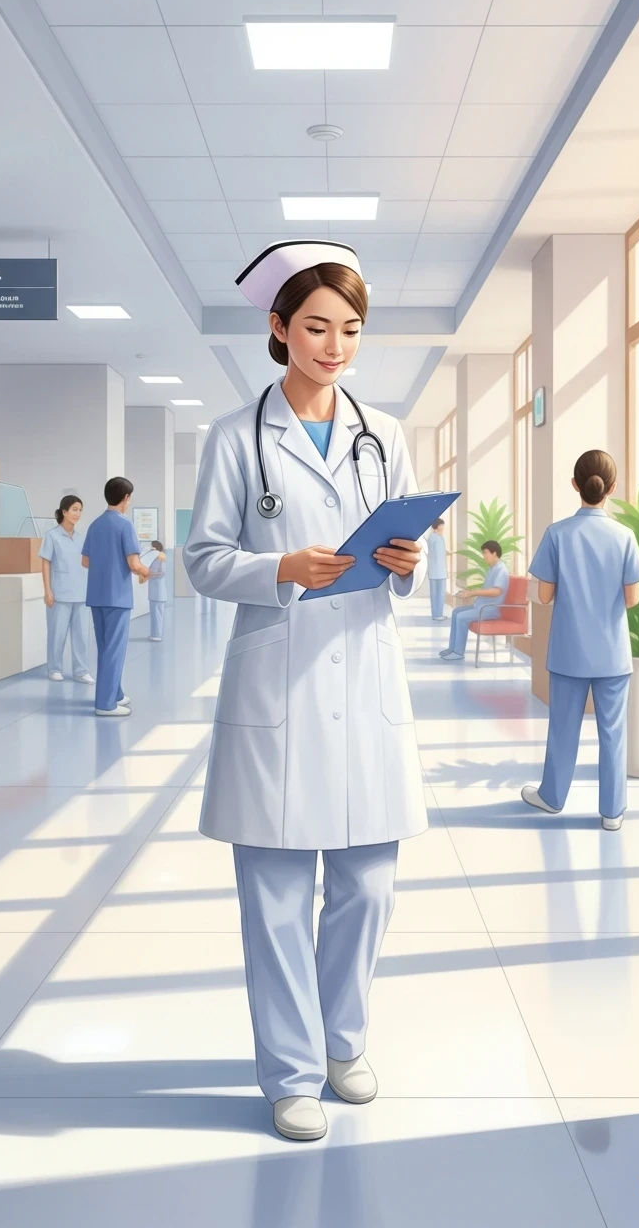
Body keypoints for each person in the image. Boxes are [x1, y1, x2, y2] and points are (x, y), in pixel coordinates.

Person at [183, 240, 427, 1144]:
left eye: (350, 329)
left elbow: (410, 554)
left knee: (367, 886)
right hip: (277, 681)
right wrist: (280, 565)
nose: (334, 345)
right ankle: (289, 1073)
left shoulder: (385, 433)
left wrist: (408, 559)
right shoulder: (233, 438)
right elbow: (203, 560)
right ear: (278, 329)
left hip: (365, 676)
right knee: (278, 897)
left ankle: (342, 1042)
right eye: (316, 327)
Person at [521, 449, 639, 831]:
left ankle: (553, 797)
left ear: (575, 485)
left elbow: (543, 596)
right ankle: (612, 812)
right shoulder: (624, 536)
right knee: (613, 732)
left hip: (569, 651)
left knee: (563, 727)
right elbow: (632, 599)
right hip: (611, 653)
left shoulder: (557, 534)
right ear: (612, 487)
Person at [81, 477, 150, 717]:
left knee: (105, 648)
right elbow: (134, 564)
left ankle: (116, 693)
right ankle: (105, 704)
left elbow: (85, 561)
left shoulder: (95, 524)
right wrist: (147, 571)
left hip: (96, 595)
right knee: (115, 649)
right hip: (117, 597)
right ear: (126, 497)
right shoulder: (125, 525)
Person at [39, 494, 94, 685]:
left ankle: (81, 671)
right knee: (57, 634)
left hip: (81, 593)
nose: (77, 514)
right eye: (74, 509)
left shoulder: (81, 538)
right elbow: (45, 564)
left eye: (80, 510)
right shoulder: (51, 536)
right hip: (59, 594)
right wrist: (47, 590)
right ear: (64, 511)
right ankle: (54, 668)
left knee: (81, 636)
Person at [438, 540, 509, 661]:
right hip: (481, 606)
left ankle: (458, 652)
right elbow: (486, 590)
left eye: (486, 553)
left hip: (490, 609)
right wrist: (468, 594)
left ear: (495, 553)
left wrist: (473, 593)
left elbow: (497, 592)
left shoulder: (501, 570)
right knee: (456, 612)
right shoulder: (492, 569)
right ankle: (452, 648)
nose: (484, 556)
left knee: (461, 617)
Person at [141, 539, 168, 641]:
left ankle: (157, 635)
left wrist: (150, 574)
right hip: (154, 592)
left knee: (157, 615)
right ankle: (154, 634)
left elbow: (162, 573)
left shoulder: (160, 559)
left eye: (152, 547)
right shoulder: (154, 560)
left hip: (159, 592)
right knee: (154, 615)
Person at [426, 517, 448, 620]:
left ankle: (436, 614)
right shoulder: (436, 538)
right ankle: (438, 614)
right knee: (439, 595)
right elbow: (437, 555)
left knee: (435, 595)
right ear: (438, 526)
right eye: (442, 525)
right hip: (439, 571)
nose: (443, 527)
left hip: (435, 571)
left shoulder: (433, 537)